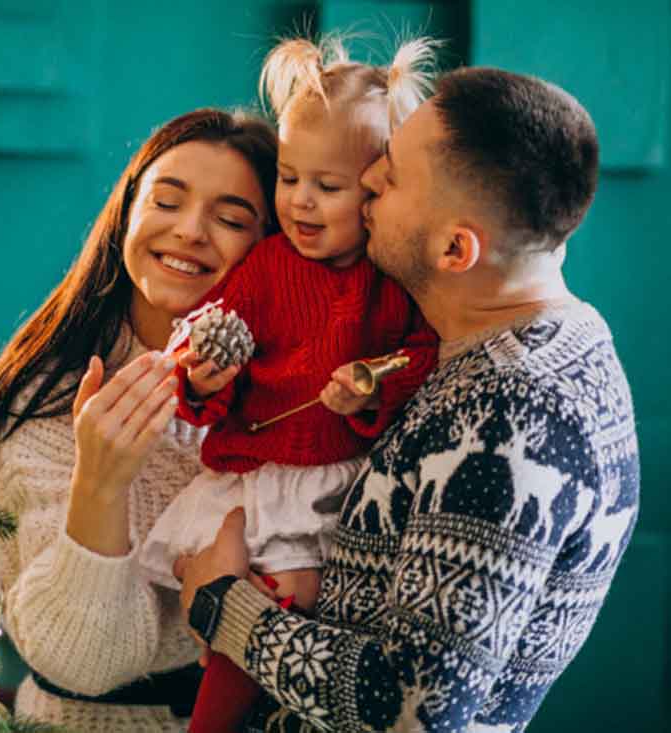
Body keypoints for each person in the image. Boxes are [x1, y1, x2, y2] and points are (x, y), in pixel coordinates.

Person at [174, 67, 640, 733]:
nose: (366, 182)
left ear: (456, 248)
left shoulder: (507, 419)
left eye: (389, 175)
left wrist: (222, 604)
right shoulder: (558, 339)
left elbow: (414, 709)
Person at [137, 36, 440, 733]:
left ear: (376, 189)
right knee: (248, 608)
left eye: (327, 187)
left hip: (340, 484)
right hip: (262, 475)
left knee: (299, 612)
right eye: (289, 178)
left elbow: (422, 354)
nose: (300, 202)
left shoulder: (391, 280)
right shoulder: (268, 266)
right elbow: (209, 346)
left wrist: (373, 388)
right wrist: (204, 377)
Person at [0, 108, 278, 731]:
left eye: (231, 219)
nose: (190, 231)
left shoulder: (293, 398)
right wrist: (100, 482)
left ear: (272, 248)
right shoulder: (46, 395)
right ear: (127, 212)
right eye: (167, 201)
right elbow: (81, 662)